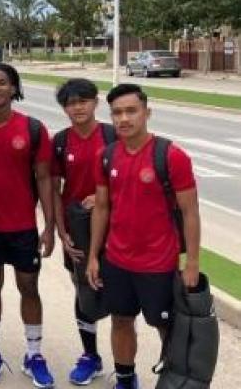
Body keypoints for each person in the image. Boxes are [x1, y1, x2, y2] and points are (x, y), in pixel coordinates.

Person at [87, 84, 201, 389]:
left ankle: (175, 380)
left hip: (159, 264)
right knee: (121, 321)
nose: (124, 118)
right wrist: (93, 256)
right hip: (117, 260)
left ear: (146, 113)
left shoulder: (171, 156)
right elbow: (101, 207)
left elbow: (190, 212)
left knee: (167, 326)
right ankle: (125, 379)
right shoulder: (106, 155)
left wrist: (192, 262)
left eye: (131, 111)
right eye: (117, 113)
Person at [0, 63, 56, 388]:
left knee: (29, 288)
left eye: (1, 83)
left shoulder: (33, 129)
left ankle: (33, 354)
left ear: (13, 87)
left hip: (22, 228)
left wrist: (49, 226)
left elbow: (45, 179)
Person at [52, 78, 113, 385]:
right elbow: (53, 189)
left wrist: (106, 197)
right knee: (84, 291)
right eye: (70, 103)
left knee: (119, 294)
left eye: (83, 101)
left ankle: (125, 366)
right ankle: (91, 355)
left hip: (116, 229)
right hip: (77, 229)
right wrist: (61, 232)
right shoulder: (61, 141)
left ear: (95, 102)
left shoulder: (113, 136)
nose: (77, 107)